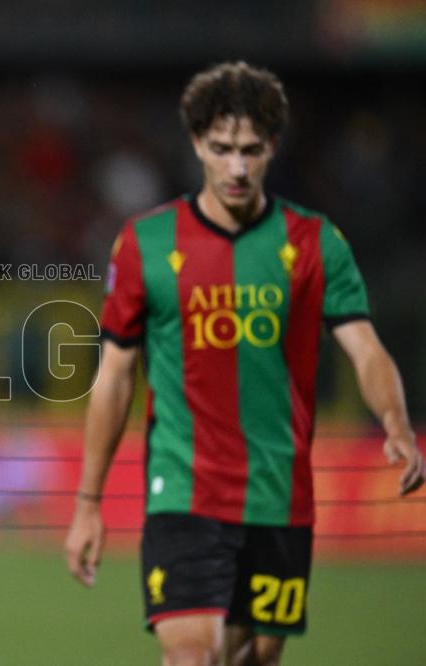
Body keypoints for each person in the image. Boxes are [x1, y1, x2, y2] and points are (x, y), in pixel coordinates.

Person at [64, 61, 423, 666]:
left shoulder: (315, 242)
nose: (237, 166)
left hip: (279, 496)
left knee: (252, 659)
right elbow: (115, 378)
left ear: (272, 147)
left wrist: (395, 423)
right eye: (223, 148)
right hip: (182, 490)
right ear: (198, 143)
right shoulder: (146, 243)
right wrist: (88, 502)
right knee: (192, 658)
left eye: (251, 150)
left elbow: (365, 348)